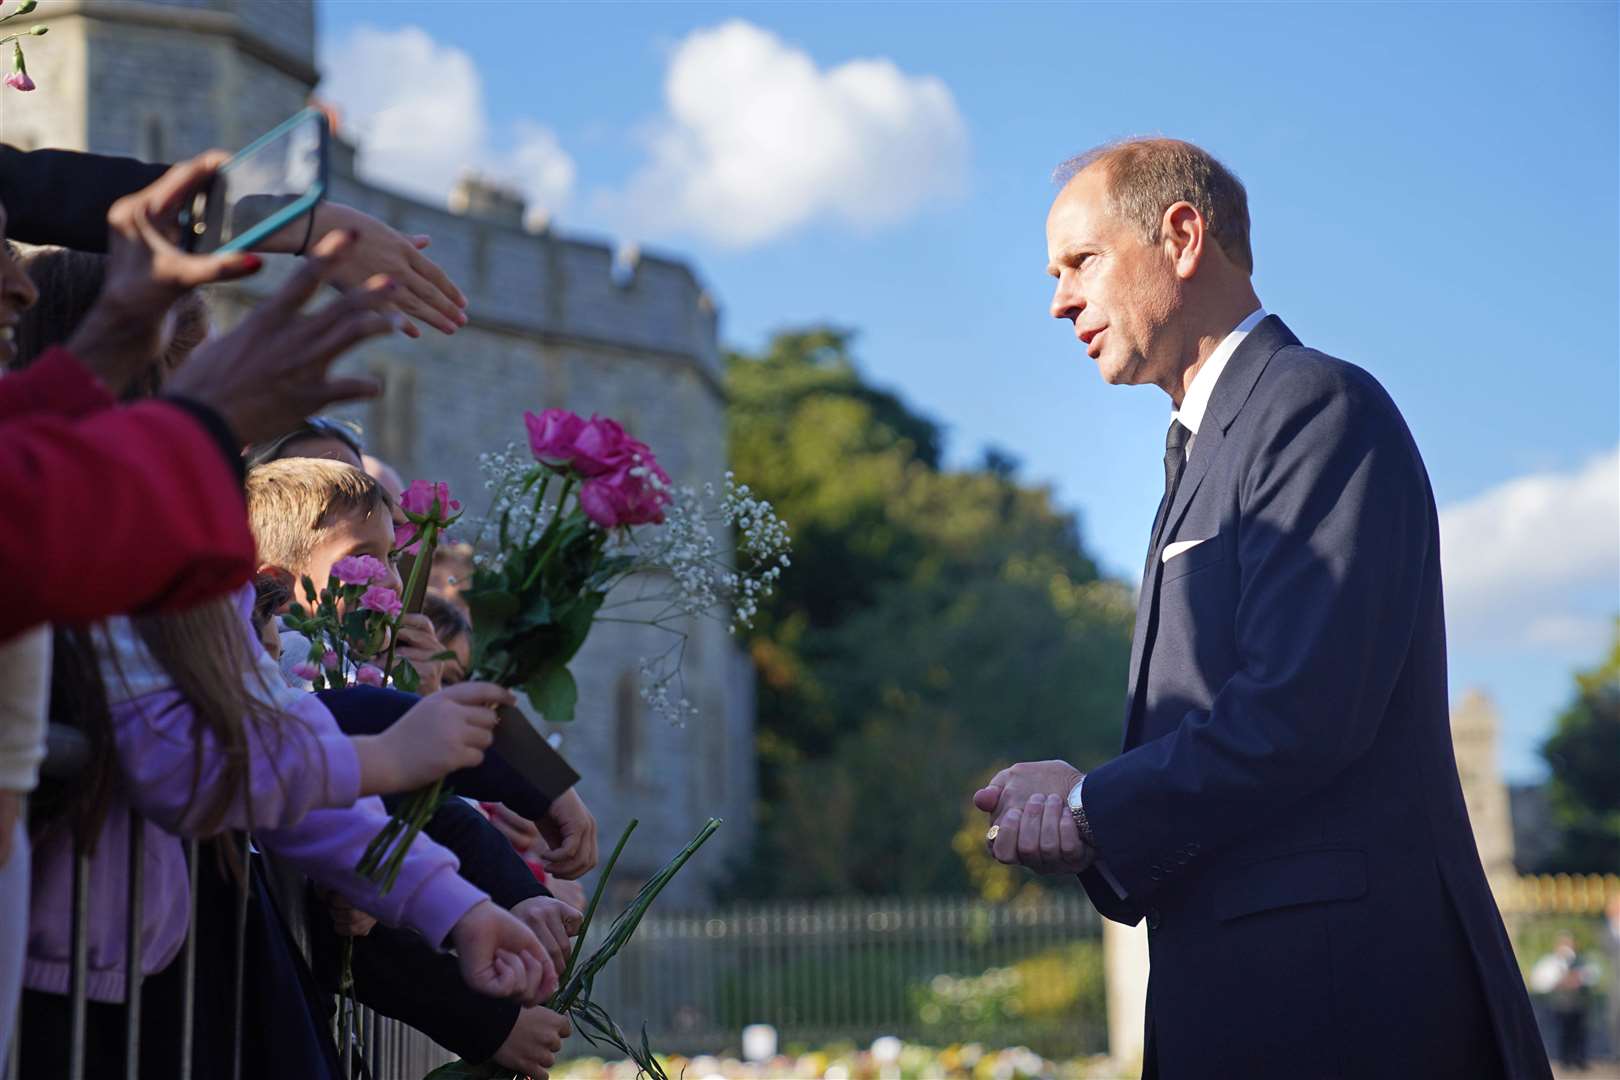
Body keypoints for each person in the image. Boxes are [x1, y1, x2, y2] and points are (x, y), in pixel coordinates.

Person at [972, 137, 1550, 1078]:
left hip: (1346, 1012)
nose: (1059, 300)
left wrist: (1086, 805)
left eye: (1081, 262)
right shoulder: (1202, 452)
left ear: (1184, 235)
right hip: (1251, 1003)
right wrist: (1087, 800)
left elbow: (1300, 712)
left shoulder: (1318, 408)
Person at [1531, 931, 1598, 1071]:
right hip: (1560, 1004)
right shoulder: (1550, 962)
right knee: (1563, 1034)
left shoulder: (1582, 960)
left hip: (1579, 1004)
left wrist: (1578, 979)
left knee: (1580, 1034)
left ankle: (1580, 1059)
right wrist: (1558, 981)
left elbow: (1593, 975)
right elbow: (1539, 981)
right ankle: (1565, 1061)